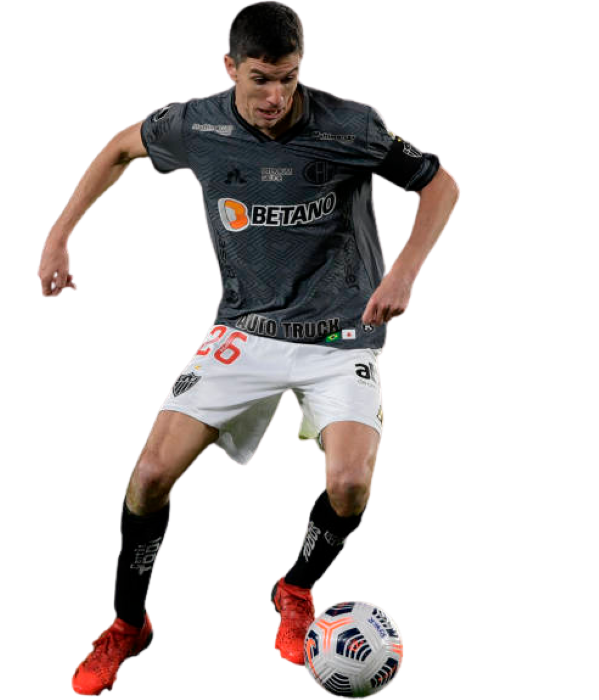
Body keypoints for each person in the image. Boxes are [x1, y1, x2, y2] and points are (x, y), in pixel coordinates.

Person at [38, 2, 460, 695]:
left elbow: (442, 184)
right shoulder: (196, 124)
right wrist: (59, 237)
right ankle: (127, 624)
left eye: (289, 79)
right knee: (148, 477)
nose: (275, 97)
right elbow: (119, 148)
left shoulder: (351, 124)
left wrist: (404, 272)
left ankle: (296, 589)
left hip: (340, 333)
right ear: (230, 68)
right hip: (245, 328)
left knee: (349, 485)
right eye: (261, 79)